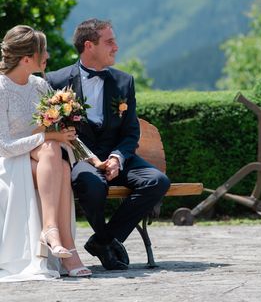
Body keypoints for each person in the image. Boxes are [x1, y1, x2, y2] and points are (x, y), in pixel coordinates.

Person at [47, 19, 170, 271]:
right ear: (89, 45)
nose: (116, 46)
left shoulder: (125, 82)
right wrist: (90, 158)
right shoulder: (55, 81)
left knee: (157, 181)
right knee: (91, 184)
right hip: (80, 160)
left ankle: (103, 240)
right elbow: (54, 129)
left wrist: (117, 158)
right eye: (110, 41)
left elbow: (130, 131)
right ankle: (106, 241)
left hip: (118, 159)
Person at [0, 25, 91, 281]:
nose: (48, 56)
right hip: (6, 160)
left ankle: (52, 233)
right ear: (27, 59)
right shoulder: (1, 88)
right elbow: (3, 146)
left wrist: (90, 157)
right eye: (44, 51)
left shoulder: (40, 86)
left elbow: (63, 131)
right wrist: (48, 136)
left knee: (58, 161)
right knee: (54, 154)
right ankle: (67, 248)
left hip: (39, 157)